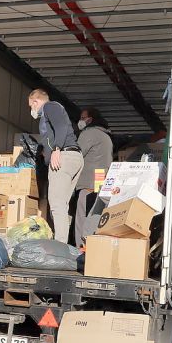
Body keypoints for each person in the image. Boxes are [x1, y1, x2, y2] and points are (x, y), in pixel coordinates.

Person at [28, 88, 84, 245]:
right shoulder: (52, 110)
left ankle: (60, 246)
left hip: (64, 157)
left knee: (57, 204)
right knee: (63, 205)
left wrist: (57, 149)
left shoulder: (50, 107)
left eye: (31, 105)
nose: (31, 109)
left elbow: (61, 127)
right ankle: (63, 243)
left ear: (35, 101)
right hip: (74, 157)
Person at [74, 107, 114, 248]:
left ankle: (81, 249)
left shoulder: (89, 133)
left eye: (83, 118)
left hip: (88, 181)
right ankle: (93, 246)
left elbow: (77, 154)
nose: (80, 121)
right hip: (100, 179)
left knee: (82, 216)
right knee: (95, 214)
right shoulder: (106, 136)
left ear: (90, 119)